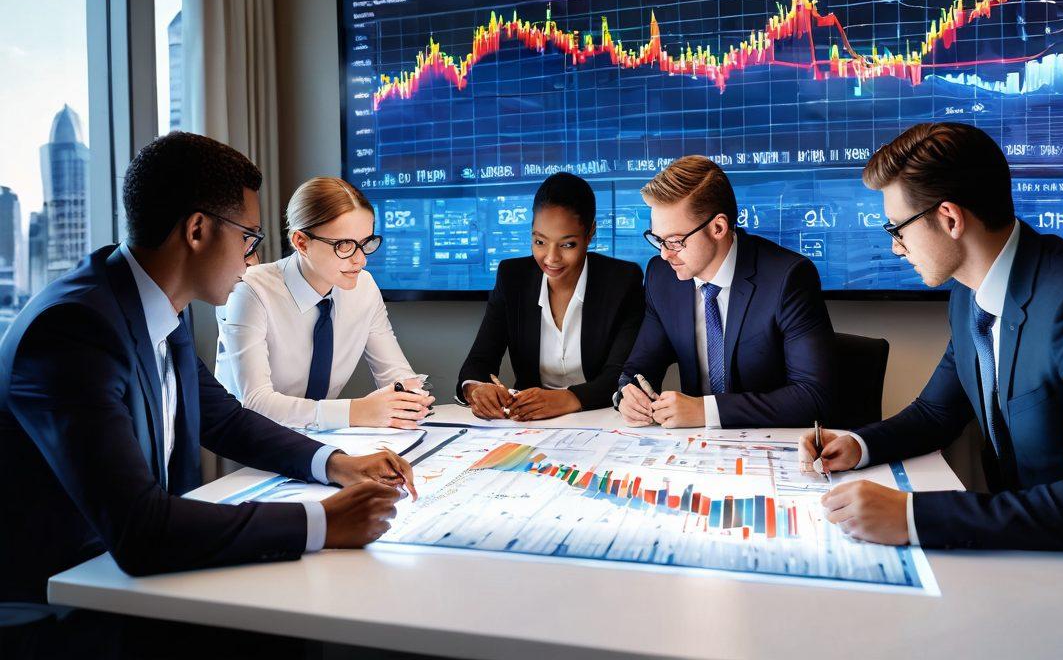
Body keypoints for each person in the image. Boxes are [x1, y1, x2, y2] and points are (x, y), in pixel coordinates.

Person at [802, 122, 1063, 644]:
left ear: (948, 218)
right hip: (1037, 550)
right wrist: (855, 444)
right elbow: (938, 412)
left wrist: (911, 515)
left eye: (896, 229)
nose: (897, 248)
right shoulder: (970, 289)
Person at [0, 133, 416, 604]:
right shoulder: (74, 329)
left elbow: (225, 420)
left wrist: (336, 464)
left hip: (126, 581)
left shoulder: (155, 306)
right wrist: (323, 521)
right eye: (248, 237)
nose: (253, 257)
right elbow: (141, 530)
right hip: (61, 604)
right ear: (197, 230)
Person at [616, 155, 836, 429]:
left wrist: (705, 411)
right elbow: (639, 368)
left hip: (773, 447)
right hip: (694, 450)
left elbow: (813, 397)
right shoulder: (662, 277)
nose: (664, 254)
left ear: (718, 227)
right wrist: (626, 395)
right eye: (658, 240)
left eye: (674, 241)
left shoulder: (788, 277)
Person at [216, 177, 433, 430]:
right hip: (250, 444)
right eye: (344, 245)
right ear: (301, 242)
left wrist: (409, 396)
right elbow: (256, 402)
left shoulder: (364, 287)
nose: (360, 260)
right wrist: (357, 411)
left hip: (325, 441)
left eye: (365, 243)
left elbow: (394, 373)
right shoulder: (251, 291)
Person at [458, 172, 644, 421]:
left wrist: (568, 398)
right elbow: (479, 361)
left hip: (602, 418)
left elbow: (620, 375)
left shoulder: (623, 280)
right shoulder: (512, 277)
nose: (551, 258)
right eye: (539, 242)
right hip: (530, 422)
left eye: (567, 244)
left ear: (590, 233)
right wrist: (476, 389)